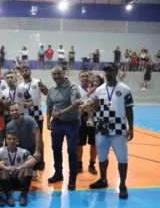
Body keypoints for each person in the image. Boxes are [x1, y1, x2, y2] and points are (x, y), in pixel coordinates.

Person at [90, 63, 134, 199]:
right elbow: (95, 108)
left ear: (116, 72)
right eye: (106, 71)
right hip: (101, 128)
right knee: (102, 157)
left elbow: (129, 109)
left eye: (110, 70)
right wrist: (93, 108)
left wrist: (131, 127)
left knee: (122, 158)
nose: (108, 73)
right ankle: (103, 180)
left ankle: (122, 185)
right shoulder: (99, 90)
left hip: (119, 129)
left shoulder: (125, 89)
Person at [46, 66, 81, 190]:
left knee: (72, 150)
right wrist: (47, 121)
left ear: (64, 73)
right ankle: (58, 174)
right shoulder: (52, 88)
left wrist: (61, 112)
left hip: (72, 123)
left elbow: (76, 104)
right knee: (56, 149)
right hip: (57, 123)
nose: (56, 76)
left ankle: (72, 179)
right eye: (54, 74)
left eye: (58, 74)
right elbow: (49, 106)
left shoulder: (72, 87)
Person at [0, 131, 38, 206]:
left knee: (28, 165)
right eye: (9, 139)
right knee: (1, 163)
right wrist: (6, 167)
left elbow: (33, 160)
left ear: (17, 141)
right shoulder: (0, 151)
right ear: (6, 140)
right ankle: (8, 195)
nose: (12, 141)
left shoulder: (23, 151)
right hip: (6, 179)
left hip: (19, 179)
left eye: (14, 139)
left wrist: (20, 167)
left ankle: (24, 195)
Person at [77, 71, 98, 175]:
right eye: (82, 76)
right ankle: (79, 164)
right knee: (79, 144)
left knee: (94, 144)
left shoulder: (97, 89)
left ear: (90, 78)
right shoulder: (76, 89)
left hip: (95, 119)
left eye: (87, 76)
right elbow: (76, 103)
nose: (85, 78)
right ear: (79, 78)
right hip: (81, 119)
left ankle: (92, 165)